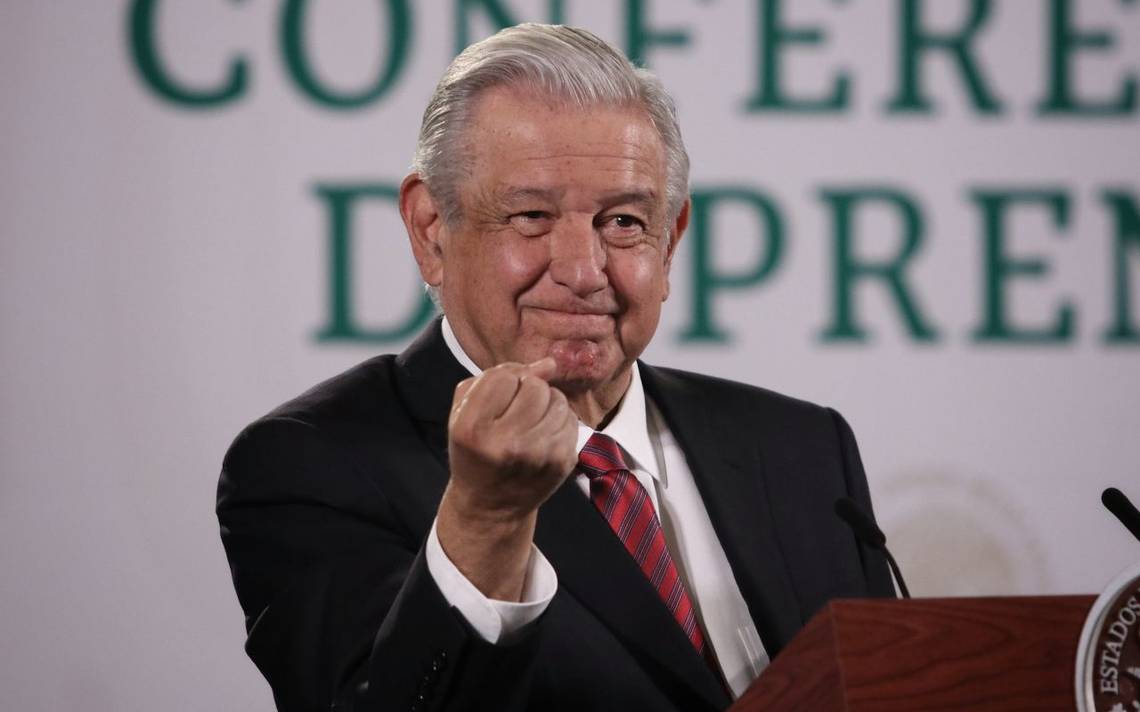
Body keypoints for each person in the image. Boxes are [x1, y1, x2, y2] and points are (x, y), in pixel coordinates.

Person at [217, 23, 894, 712]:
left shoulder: (803, 447)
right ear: (431, 229)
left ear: (670, 242)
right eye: (531, 215)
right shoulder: (312, 463)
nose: (582, 270)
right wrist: (486, 519)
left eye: (623, 222)